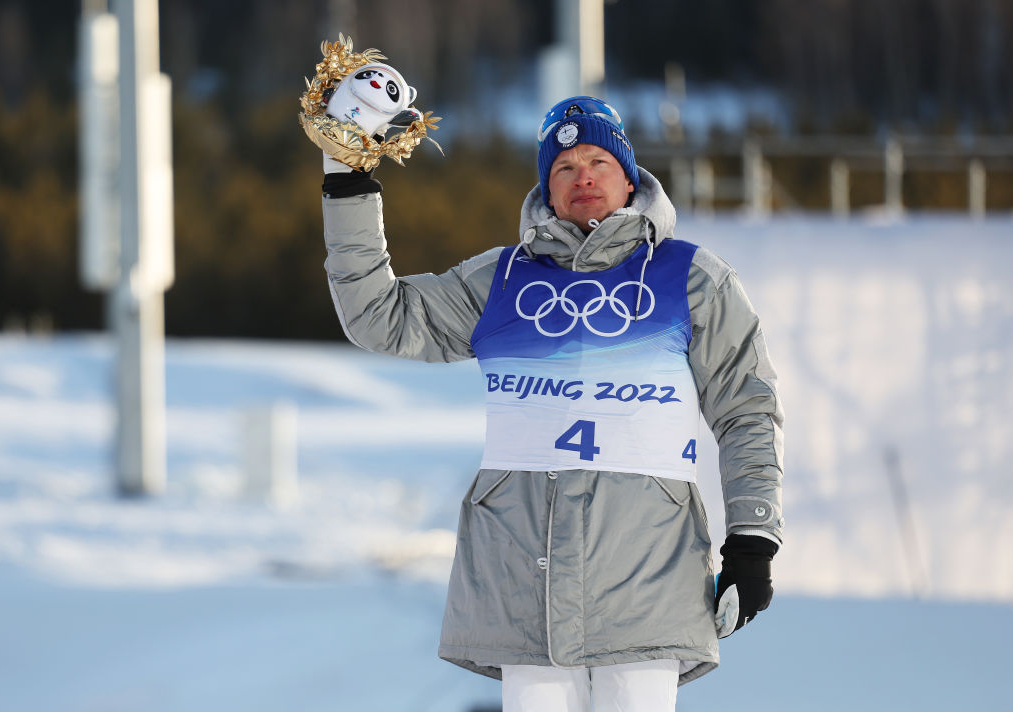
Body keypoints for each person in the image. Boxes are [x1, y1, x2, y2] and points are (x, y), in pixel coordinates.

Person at [317, 95, 784, 711]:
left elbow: (747, 409)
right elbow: (379, 317)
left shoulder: (694, 279)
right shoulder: (502, 280)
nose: (582, 176)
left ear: (629, 176)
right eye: (563, 166)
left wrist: (752, 541)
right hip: (521, 576)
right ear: (546, 186)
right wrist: (347, 179)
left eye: (597, 160)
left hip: (648, 573)